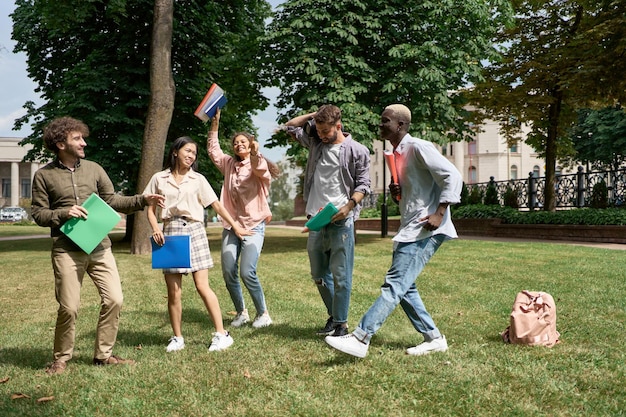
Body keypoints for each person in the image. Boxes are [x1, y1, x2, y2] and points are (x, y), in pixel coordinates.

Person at [325, 104, 463, 358]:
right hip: (410, 226)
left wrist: (440, 212)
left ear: (400, 125)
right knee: (405, 287)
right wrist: (398, 192)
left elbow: (452, 176)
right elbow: (418, 190)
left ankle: (361, 336)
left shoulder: (419, 147)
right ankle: (433, 338)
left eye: (385, 121)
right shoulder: (397, 153)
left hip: (427, 227)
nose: (380, 124)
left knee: (395, 284)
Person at [31, 116, 166, 375]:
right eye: (77, 138)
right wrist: (63, 213)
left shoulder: (94, 169)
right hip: (66, 249)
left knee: (115, 299)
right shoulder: (43, 175)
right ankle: (61, 359)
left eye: (83, 138)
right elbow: (38, 213)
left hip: (100, 246)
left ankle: (103, 356)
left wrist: (142, 199)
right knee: (69, 307)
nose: (84, 143)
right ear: (60, 143)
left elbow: (112, 200)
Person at [145, 136, 252, 353]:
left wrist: (236, 226)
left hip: (194, 231)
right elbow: (149, 209)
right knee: (173, 292)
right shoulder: (159, 178)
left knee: (202, 286)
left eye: (194, 153)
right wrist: (156, 228)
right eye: (187, 151)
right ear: (175, 152)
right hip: (170, 233)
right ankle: (177, 338)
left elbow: (217, 206)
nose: (191, 156)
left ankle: (222, 334)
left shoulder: (198, 179)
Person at [284, 104, 371, 337]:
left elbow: (364, 184)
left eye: (325, 131)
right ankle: (335, 317)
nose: (321, 135)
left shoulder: (357, 150)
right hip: (316, 220)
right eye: (319, 130)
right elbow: (289, 127)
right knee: (319, 275)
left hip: (341, 220)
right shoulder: (315, 144)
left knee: (341, 276)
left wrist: (349, 206)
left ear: (338, 126)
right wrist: (313, 116)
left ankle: (340, 324)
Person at [207, 109, 275, 328]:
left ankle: (263, 313)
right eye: (236, 143)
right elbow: (213, 151)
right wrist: (215, 125)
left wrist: (255, 153)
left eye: (243, 141)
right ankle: (241, 312)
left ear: (251, 144)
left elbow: (260, 169)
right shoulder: (228, 164)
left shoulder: (258, 164)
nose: (239, 145)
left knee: (247, 271)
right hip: (231, 226)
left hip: (254, 226)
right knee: (228, 271)